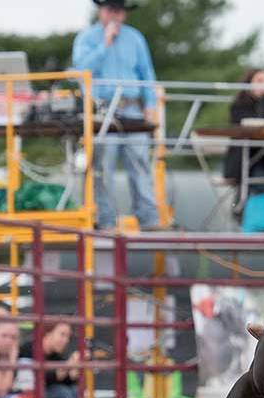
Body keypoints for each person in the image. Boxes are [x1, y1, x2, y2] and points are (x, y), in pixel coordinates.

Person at [72, 0, 161, 230]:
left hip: (132, 107)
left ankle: (149, 219)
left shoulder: (135, 38)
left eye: (119, 11)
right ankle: (106, 220)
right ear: (101, 11)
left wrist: (150, 103)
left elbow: (146, 72)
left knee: (140, 163)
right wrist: (105, 43)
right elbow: (81, 69)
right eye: (111, 10)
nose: (115, 15)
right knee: (103, 167)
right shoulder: (86, 38)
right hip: (101, 108)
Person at [19, 322, 93, 398]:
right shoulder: (29, 348)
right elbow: (41, 379)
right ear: (47, 333)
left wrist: (75, 368)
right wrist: (68, 365)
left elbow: (66, 380)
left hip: (44, 395)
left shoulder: (55, 355)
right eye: (62, 335)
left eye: (68, 336)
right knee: (62, 393)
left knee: (75, 391)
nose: (66, 340)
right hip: (26, 397)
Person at [223, 67, 264, 191]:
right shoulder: (239, 105)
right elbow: (249, 125)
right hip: (245, 161)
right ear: (249, 83)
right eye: (260, 81)